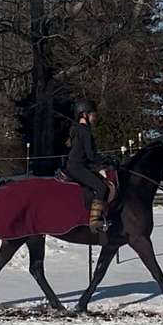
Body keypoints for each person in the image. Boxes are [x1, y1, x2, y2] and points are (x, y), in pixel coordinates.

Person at [65, 99, 109, 236]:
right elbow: (91, 155)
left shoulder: (76, 129)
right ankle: (94, 220)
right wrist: (106, 161)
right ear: (84, 115)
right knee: (102, 187)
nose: (94, 118)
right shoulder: (85, 131)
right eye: (92, 115)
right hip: (78, 167)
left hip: (74, 165)